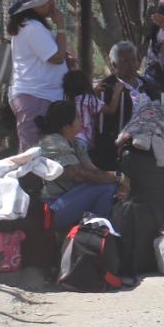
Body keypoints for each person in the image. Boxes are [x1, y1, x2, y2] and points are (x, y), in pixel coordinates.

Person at [36, 99, 124, 230]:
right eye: (77, 117)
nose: (81, 119)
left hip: (71, 200)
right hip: (54, 207)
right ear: (66, 126)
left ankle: (96, 230)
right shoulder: (52, 142)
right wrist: (119, 177)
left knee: (109, 186)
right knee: (107, 188)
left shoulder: (76, 143)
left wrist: (120, 181)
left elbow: (94, 172)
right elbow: (76, 173)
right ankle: (95, 231)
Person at [7, 0, 72, 151]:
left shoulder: (35, 26)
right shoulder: (32, 27)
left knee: (43, 153)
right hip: (34, 98)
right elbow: (57, 57)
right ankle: (29, 179)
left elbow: (58, 54)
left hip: (41, 97)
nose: (52, 4)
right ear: (35, 6)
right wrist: (61, 26)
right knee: (31, 154)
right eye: (47, 1)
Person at [91, 41, 158, 170]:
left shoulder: (147, 84)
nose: (131, 64)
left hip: (152, 138)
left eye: (133, 59)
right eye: (125, 61)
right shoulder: (107, 88)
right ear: (114, 65)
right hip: (123, 145)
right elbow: (103, 127)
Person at [62, 69, 102, 151]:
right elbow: (110, 109)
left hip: (70, 136)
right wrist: (117, 92)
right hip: (85, 139)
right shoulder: (90, 99)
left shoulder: (68, 100)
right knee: (84, 160)